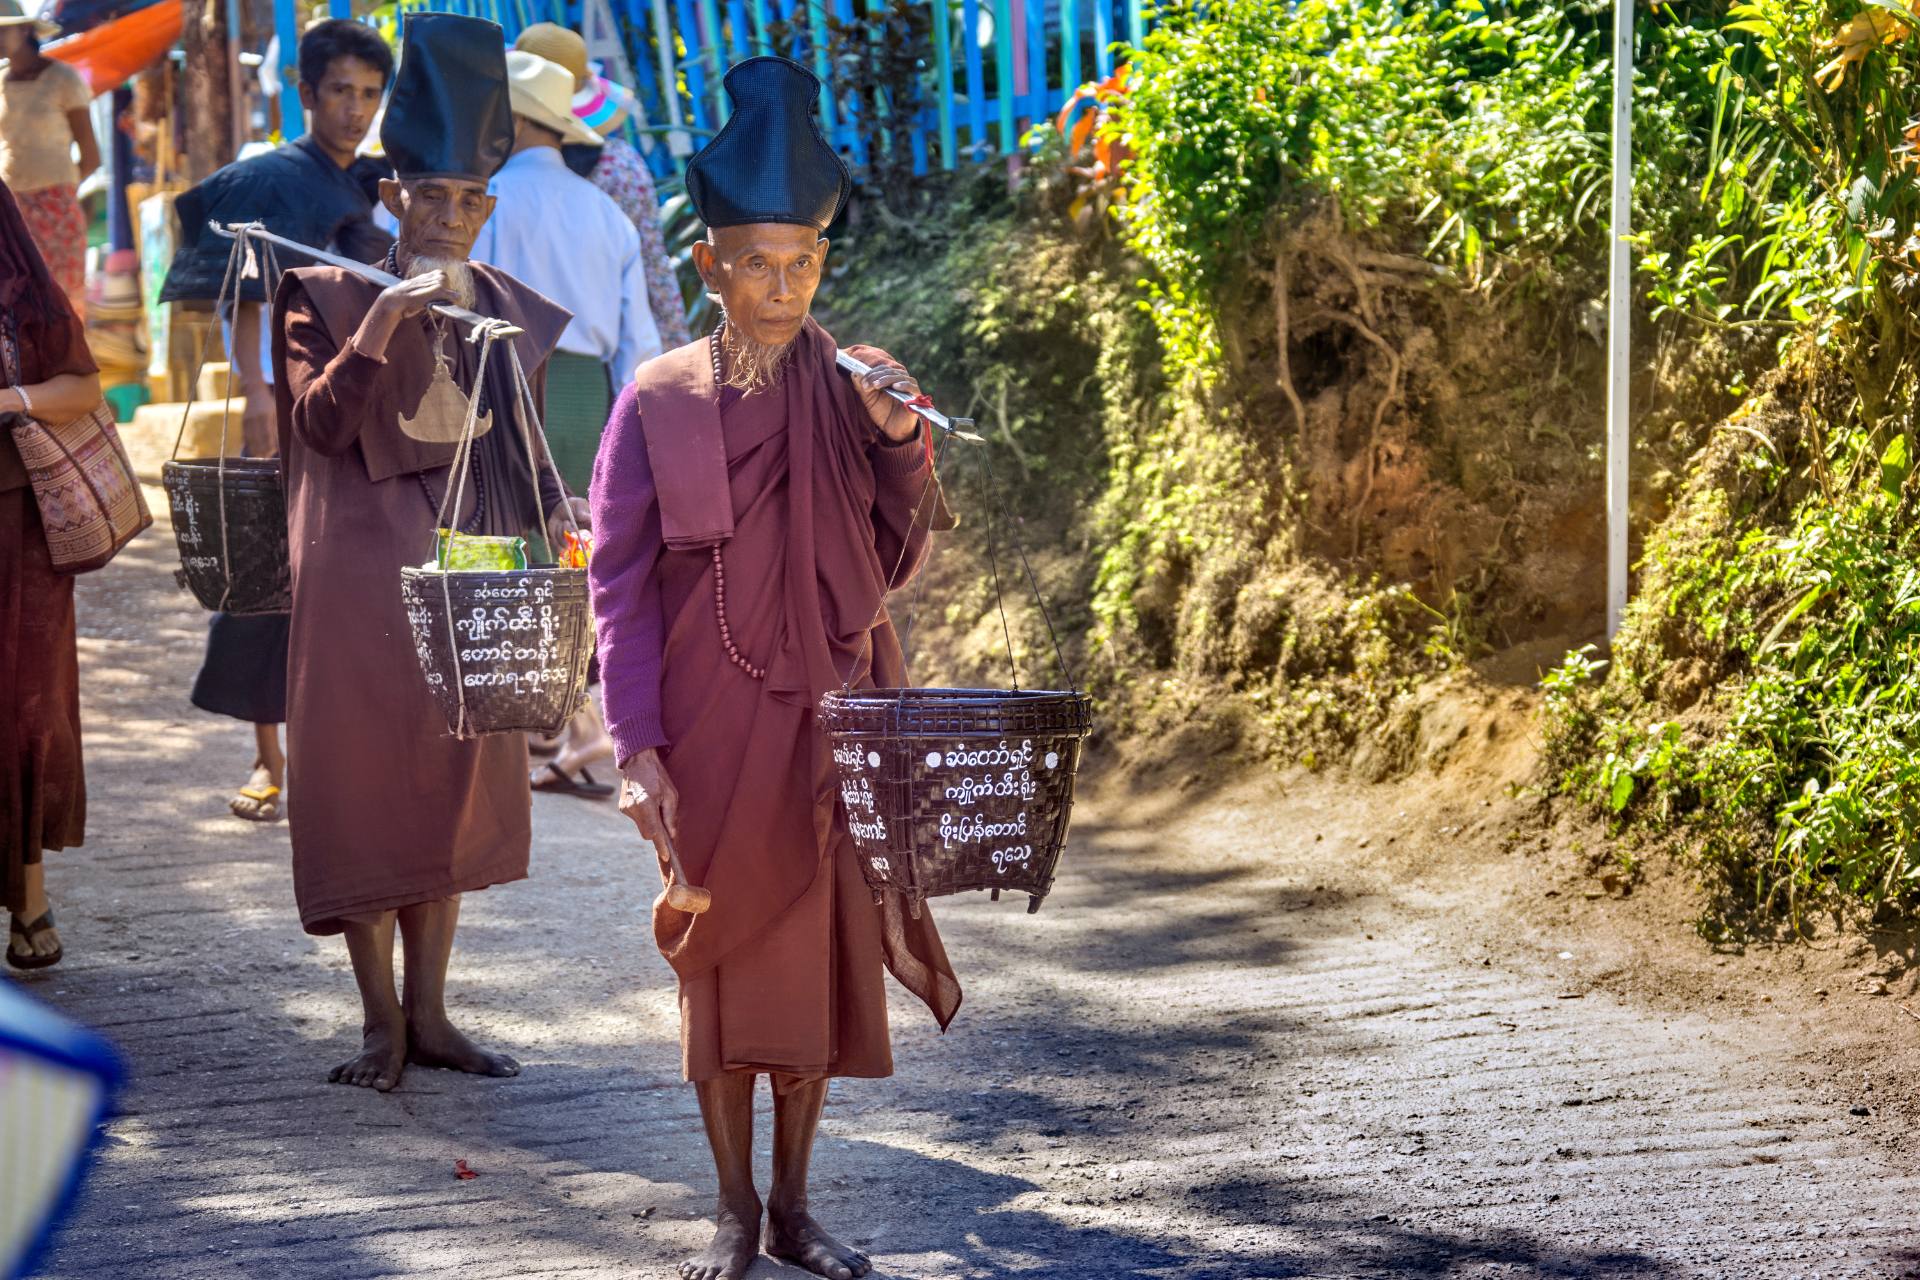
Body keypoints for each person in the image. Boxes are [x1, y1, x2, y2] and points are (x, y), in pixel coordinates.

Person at [589, 56, 961, 1280]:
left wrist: (903, 442)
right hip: (706, 723)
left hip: (834, 720)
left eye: (804, 261)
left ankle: (798, 1204)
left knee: (814, 969)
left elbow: (893, 551)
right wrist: (636, 748)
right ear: (708, 264)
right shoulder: (656, 400)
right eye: (757, 261)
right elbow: (619, 587)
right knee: (722, 967)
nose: (783, 286)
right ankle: (733, 1207)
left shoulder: (854, 389)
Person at [272, 13, 588, 1091]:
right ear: (394, 195)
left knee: (449, 781)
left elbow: (529, 447)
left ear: (488, 207)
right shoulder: (320, 291)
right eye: (431, 197)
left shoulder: (502, 309)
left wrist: (563, 512)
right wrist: (377, 329)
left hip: (471, 570)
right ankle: (378, 1023)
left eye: (469, 201)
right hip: (358, 577)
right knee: (363, 785)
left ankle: (436, 1012)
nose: (451, 217)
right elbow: (316, 423)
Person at [161, 17, 395, 824]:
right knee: (271, 573)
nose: (355, 109)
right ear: (306, 95)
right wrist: (259, 394)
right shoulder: (274, 178)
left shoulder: (367, 182)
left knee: (350, 576)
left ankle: (341, 757)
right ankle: (269, 760)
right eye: (341, 91)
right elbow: (249, 291)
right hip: (290, 406)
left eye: (370, 93)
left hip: (358, 406)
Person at [471, 47, 661, 797]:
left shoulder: (482, 201)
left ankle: (526, 712)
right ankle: (575, 715)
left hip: (498, 381)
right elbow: (640, 343)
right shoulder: (607, 214)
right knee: (579, 552)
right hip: (588, 394)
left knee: (501, 538)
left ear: (515, 122)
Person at [1, 179, 103, 970]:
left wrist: (11, 398)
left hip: (18, 529)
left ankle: (28, 895)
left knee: (26, 710)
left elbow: (83, 385)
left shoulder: (19, 288)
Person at [512, 22, 690, 349]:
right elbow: (654, 271)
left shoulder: (494, 174)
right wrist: (676, 350)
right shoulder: (623, 168)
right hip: (600, 354)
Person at [0, 0, 98, 316]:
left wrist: (60, 192)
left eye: (3, 30)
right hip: (9, 207)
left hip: (57, 205)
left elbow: (91, 155)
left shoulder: (63, 79)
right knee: (14, 300)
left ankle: (68, 365)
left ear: (25, 29)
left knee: (63, 300)